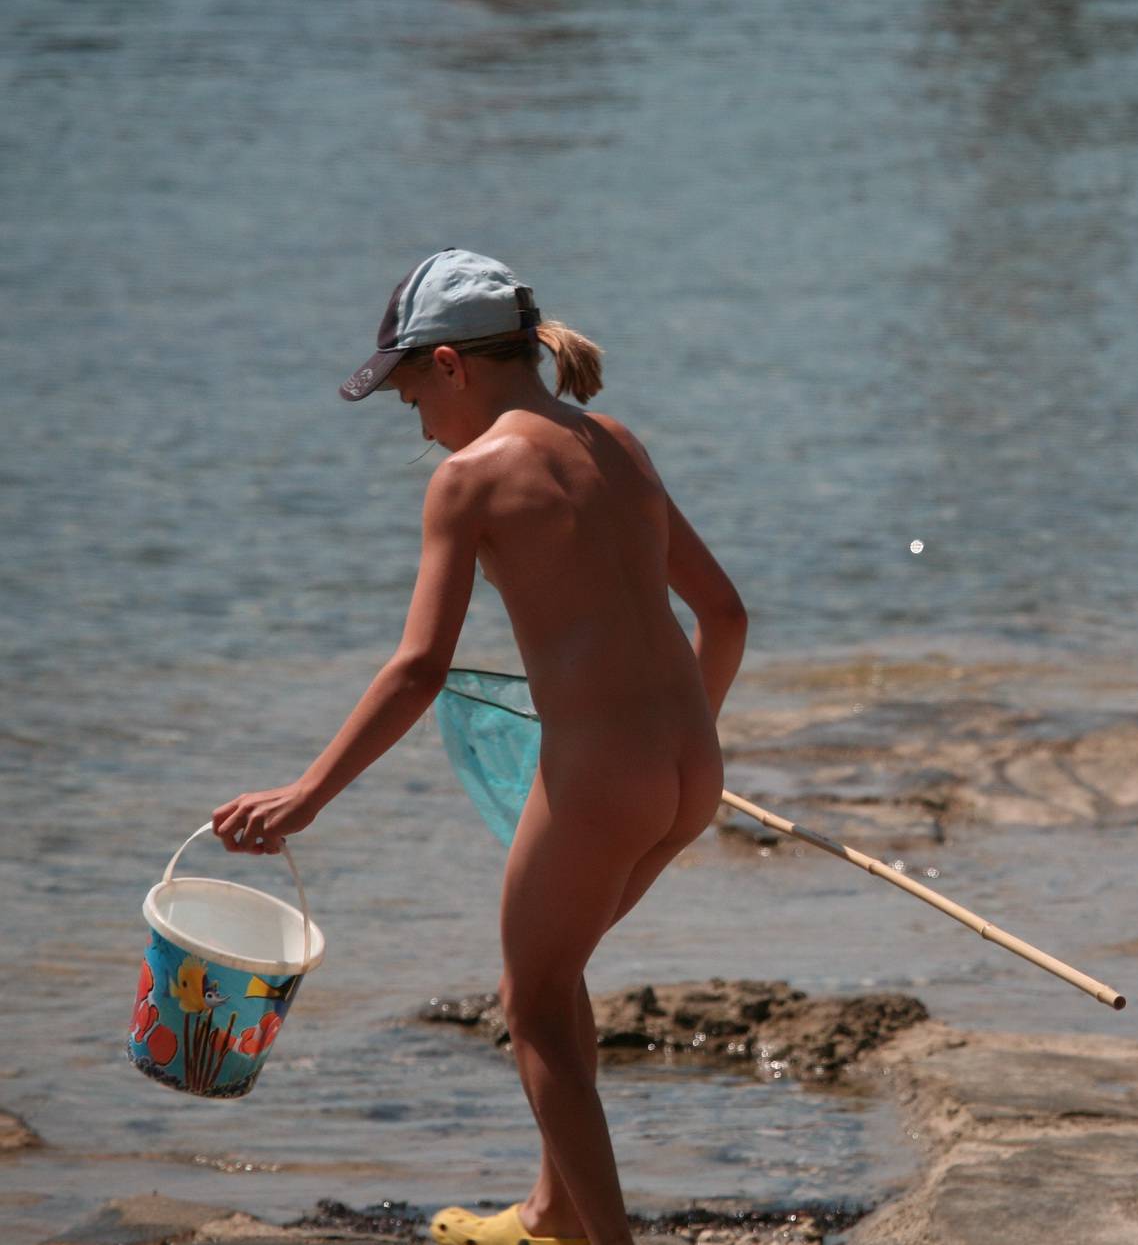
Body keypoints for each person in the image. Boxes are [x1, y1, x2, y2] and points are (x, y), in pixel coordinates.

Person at [211, 249, 749, 1245]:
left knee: (533, 1003)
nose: (414, 419)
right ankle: (551, 1211)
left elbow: (419, 669)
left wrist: (308, 792)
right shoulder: (618, 441)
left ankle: (601, 1238)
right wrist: (685, 737)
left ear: (452, 364)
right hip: (689, 772)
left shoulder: (469, 480)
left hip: (600, 781)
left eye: (410, 390)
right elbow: (723, 613)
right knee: (561, 963)